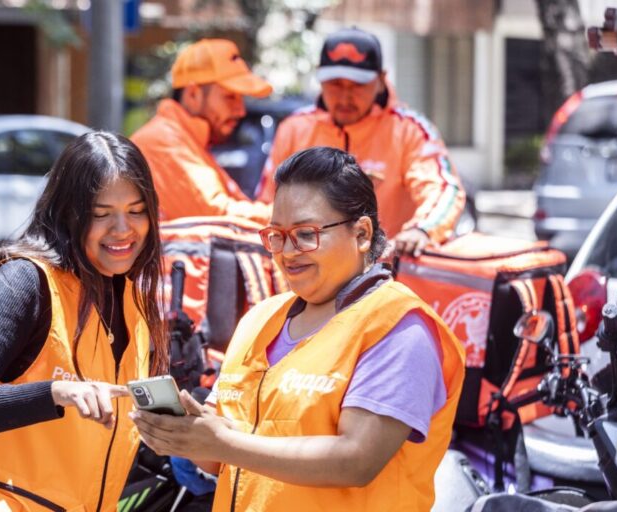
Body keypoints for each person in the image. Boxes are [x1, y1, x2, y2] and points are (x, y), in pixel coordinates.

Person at [130, 147, 466, 511]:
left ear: (363, 234)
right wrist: (185, 436)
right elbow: (219, 459)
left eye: (306, 234)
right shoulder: (259, 320)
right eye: (277, 235)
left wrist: (223, 444)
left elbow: (356, 459)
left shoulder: (398, 327)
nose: (287, 252)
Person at [0, 132, 167, 511]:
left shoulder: (132, 299)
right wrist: (55, 394)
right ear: (67, 213)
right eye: (100, 214)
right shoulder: (23, 282)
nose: (123, 229)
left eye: (136, 210)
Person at [257, 27, 466, 256]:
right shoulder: (294, 129)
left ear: (380, 81)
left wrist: (423, 229)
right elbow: (268, 205)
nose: (346, 96)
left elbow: (442, 188)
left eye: (357, 85)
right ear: (320, 77)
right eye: (335, 83)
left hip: (386, 274)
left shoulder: (410, 131)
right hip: (309, 274)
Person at [131, 38, 273, 223]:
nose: (241, 110)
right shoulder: (162, 140)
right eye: (230, 97)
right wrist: (287, 218)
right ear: (193, 94)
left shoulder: (182, 139)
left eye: (241, 98)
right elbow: (216, 216)